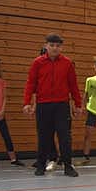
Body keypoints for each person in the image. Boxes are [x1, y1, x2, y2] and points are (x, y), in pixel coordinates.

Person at [23, 34, 82, 177]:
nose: (55, 48)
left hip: (61, 105)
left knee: (65, 137)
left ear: (61, 47)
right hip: (43, 105)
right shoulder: (37, 63)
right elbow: (31, 83)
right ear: (46, 46)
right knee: (44, 136)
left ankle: (68, 166)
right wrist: (27, 103)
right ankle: (41, 165)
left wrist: (78, 104)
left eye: (58, 46)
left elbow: (73, 85)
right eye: (52, 45)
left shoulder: (67, 63)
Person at [0, 57, 25, 167]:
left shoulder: (1, 82)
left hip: (0, 112)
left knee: (6, 135)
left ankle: (13, 159)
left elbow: (4, 97)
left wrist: (2, 111)